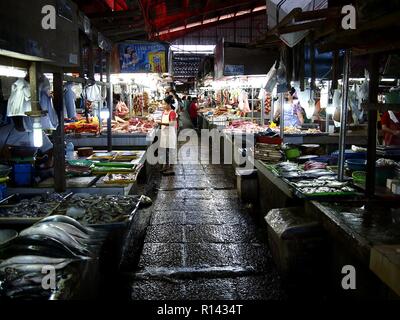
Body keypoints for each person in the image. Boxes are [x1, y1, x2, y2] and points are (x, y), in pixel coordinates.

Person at [158, 95, 177, 175]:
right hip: (164, 133)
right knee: (165, 151)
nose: (163, 105)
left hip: (170, 134)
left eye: (164, 104)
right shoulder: (164, 112)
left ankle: (171, 168)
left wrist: (161, 123)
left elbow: (172, 123)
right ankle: (166, 166)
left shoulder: (172, 112)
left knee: (171, 151)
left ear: (169, 104)